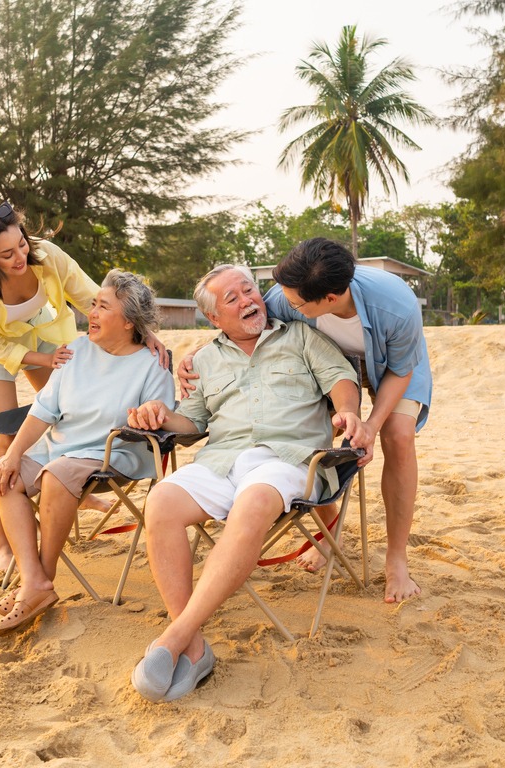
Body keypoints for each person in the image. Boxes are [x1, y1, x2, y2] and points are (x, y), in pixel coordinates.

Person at [125, 264, 362, 702]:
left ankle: (175, 639)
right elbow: (192, 423)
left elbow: (341, 380)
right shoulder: (205, 361)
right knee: (160, 501)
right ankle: (194, 647)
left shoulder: (300, 338)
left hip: (288, 459)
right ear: (214, 318)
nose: (247, 301)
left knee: (253, 502)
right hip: (223, 459)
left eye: (248, 290)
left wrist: (348, 411)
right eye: (231, 299)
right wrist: (158, 412)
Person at [179, 238, 432, 603]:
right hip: (328, 362)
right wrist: (200, 351)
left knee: (398, 436)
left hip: (392, 365)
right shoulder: (290, 294)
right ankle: (329, 533)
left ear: (329, 299)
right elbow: (245, 318)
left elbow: (402, 370)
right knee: (312, 429)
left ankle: (396, 560)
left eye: (294, 302)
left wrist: (372, 426)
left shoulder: (396, 304)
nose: (283, 301)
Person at [0, 202, 165, 572]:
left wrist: (144, 332)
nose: (21, 256)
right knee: (5, 440)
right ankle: (2, 544)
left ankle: (65, 482)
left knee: (62, 416)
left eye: (21, 244)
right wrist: (44, 362)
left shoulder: (47, 255)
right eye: (7, 254)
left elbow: (93, 298)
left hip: (51, 337)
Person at [0, 270, 174, 635]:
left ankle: (42, 578)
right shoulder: (77, 350)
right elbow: (43, 410)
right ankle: (34, 579)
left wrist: (149, 416)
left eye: (103, 306)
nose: (93, 312)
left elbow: (161, 420)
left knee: (57, 475)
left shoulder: (153, 365)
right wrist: (11, 456)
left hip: (113, 453)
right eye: (94, 304)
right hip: (60, 448)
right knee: (4, 478)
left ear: (128, 322)